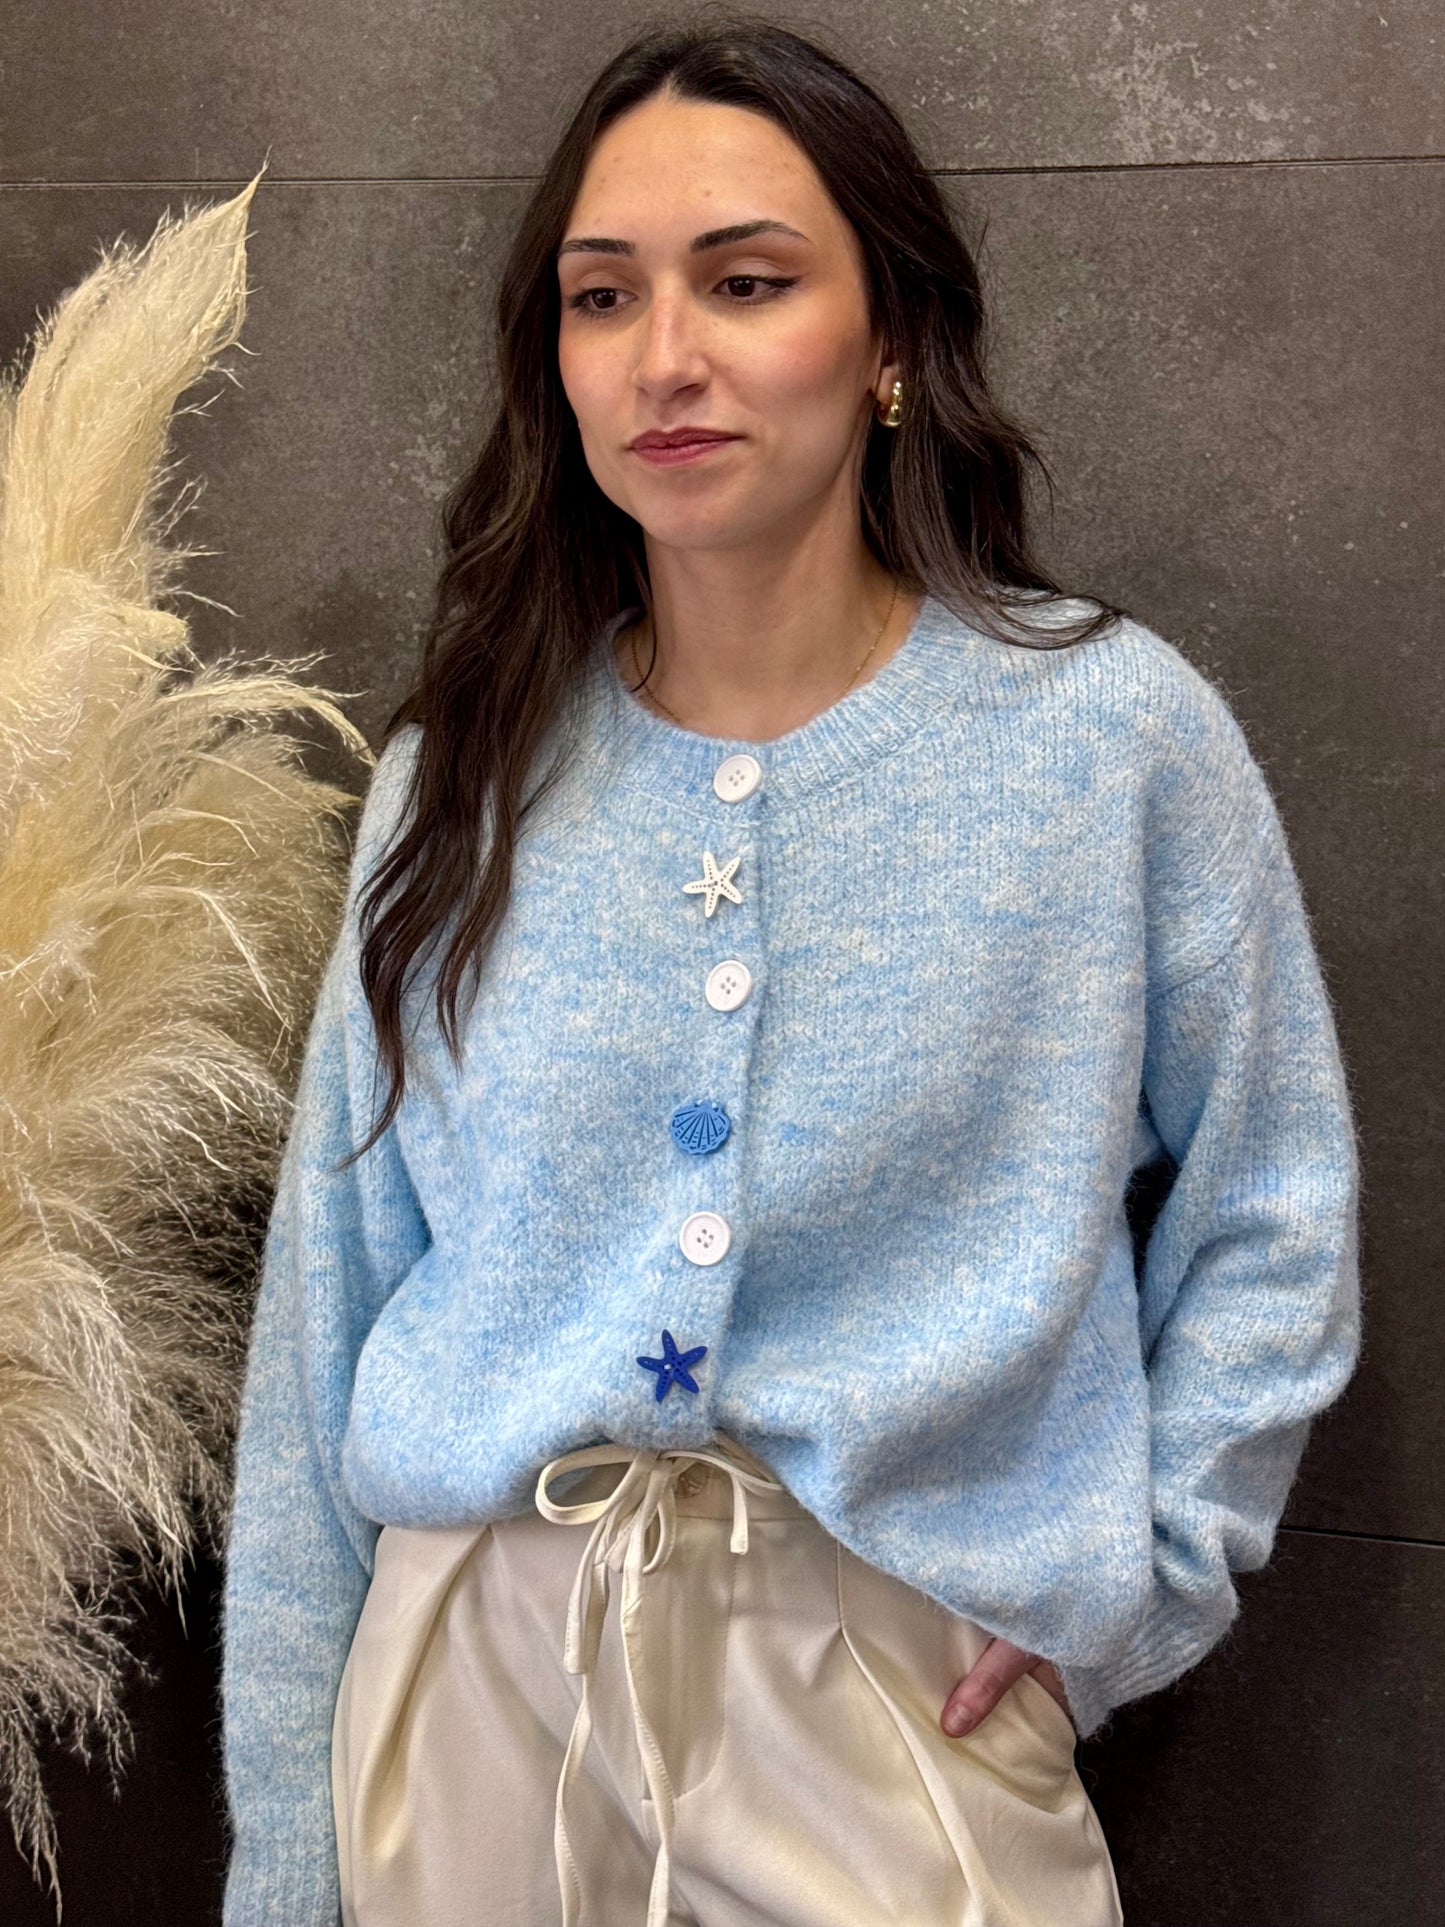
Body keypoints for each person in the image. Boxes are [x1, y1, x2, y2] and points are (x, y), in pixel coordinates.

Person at [219, 15, 1361, 1927]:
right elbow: (327, 1305)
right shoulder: (463, 772)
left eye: (746, 283)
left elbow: (1272, 1203)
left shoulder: (1105, 744)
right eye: (603, 297)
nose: (663, 357)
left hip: (892, 1695)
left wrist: (1139, 1588)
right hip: (472, 1689)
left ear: (890, 336)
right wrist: (287, 1848)